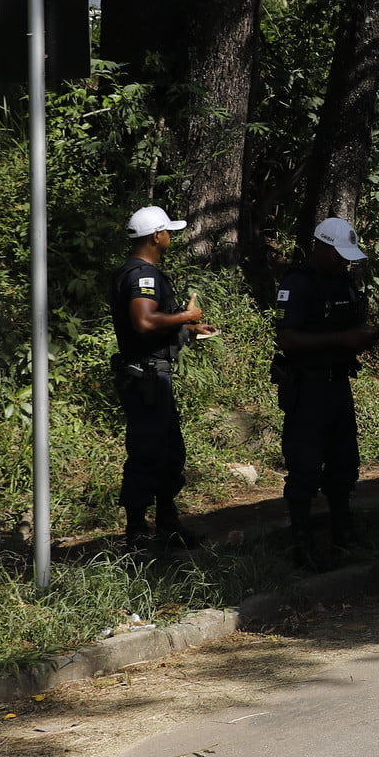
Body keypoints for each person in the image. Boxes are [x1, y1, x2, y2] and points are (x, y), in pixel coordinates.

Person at [272, 217, 379, 569]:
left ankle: (343, 536)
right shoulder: (298, 284)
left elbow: (344, 330)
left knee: (343, 463)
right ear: (320, 247)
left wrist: (362, 337)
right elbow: (287, 338)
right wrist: (342, 339)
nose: (344, 262)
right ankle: (302, 546)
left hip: (338, 385)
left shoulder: (344, 282)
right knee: (304, 467)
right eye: (338, 255)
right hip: (308, 388)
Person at [109, 206, 216, 550]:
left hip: (151, 376)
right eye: (168, 231)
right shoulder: (144, 275)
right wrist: (186, 313)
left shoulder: (132, 272)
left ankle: (168, 526)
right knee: (147, 451)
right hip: (148, 379)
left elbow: (150, 327)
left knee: (169, 452)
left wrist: (188, 329)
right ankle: (137, 534)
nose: (170, 236)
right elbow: (143, 321)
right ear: (157, 236)